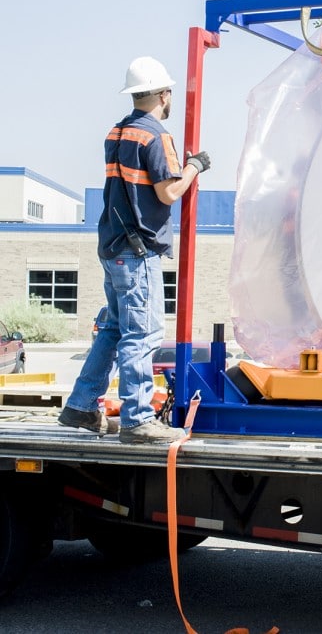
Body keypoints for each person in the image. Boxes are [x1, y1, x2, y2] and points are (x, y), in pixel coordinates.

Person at [58, 57, 211, 444]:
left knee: (112, 329)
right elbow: (168, 192)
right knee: (142, 334)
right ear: (163, 95)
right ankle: (137, 419)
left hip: (112, 245)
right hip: (138, 249)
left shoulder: (117, 132)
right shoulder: (156, 137)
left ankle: (80, 405)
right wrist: (194, 167)